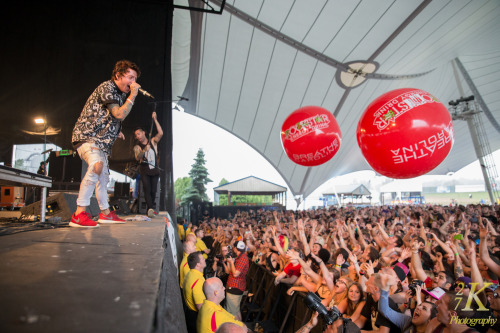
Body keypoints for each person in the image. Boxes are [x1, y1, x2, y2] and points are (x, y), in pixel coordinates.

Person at [70, 60, 141, 227]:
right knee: (96, 165)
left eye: (135, 78)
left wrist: (116, 131)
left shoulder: (120, 94)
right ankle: (79, 214)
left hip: (101, 142)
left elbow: (108, 116)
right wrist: (133, 95)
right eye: (130, 77)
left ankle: (106, 214)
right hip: (87, 136)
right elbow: (118, 114)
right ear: (118, 75)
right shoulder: (107, 87)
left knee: (103, 176)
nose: (134, 82)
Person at [133, 111, 163, 218]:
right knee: (146, 188)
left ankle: (149, 209)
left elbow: (160, 133)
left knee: (154, 190)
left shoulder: (153, 141)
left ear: (143, 133)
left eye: (139, 134)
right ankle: (150, 209)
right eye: (136, 135)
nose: (138, 136)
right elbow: (138, 157)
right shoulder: (137, 146)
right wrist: (144, 150)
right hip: (144, 170)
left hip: (154, 170)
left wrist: (155, 119)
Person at [182, 251, 207, 333]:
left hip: (189, 313)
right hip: (195, 318)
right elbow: (200, 307)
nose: (204, 260)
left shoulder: (189, 273)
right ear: (198, 264)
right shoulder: (198, 281)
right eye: (202, 259)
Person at [225, 240, 249, 320]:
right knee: (236, 311)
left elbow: (235, 274)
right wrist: (229, 262)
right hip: (233, 286)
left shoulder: (243, 258)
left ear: (235, 248)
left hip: (236, 287)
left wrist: (232, 262)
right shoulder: (238, 257)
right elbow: (228, 271)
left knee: (232, 313)